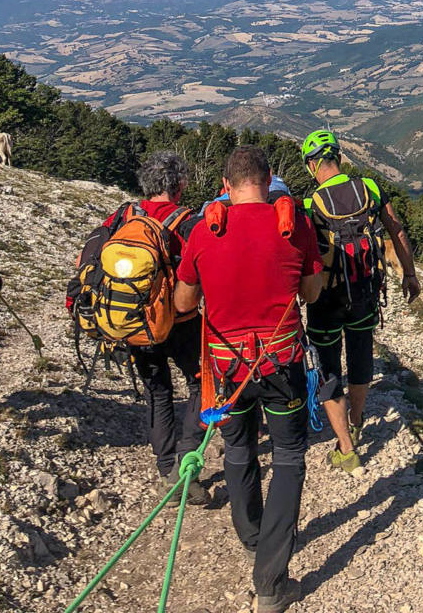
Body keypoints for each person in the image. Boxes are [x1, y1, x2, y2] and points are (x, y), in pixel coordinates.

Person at [175, 145, 323, 613]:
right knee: (289, 456)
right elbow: (312, 291)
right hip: (280, 362)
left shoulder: (203, 230)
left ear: (225, 184)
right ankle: (271, 582)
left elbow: (182, 303)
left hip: (225, 365)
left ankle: (252, 534)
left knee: (238, 448)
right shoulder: (294, 224)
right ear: (269, 178)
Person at [67, 150, 208, 504]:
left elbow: (85, 261)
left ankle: (165, 468)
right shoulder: (189, 222)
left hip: (134, 323)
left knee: (157, 392)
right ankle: (185, 465)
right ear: (180, 185)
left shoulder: (123, 216)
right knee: (201, 382)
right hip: (182, 322)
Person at [300, 129, 420, 473]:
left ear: (312, 165)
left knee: (328, 365)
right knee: (360, 352)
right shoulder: (370, 189)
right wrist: (409, 274)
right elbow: (396, 229)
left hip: (325, 298)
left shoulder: (310, 205)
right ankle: (355, 419)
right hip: (366, 290)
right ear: (337, 157)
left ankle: (346, 447)